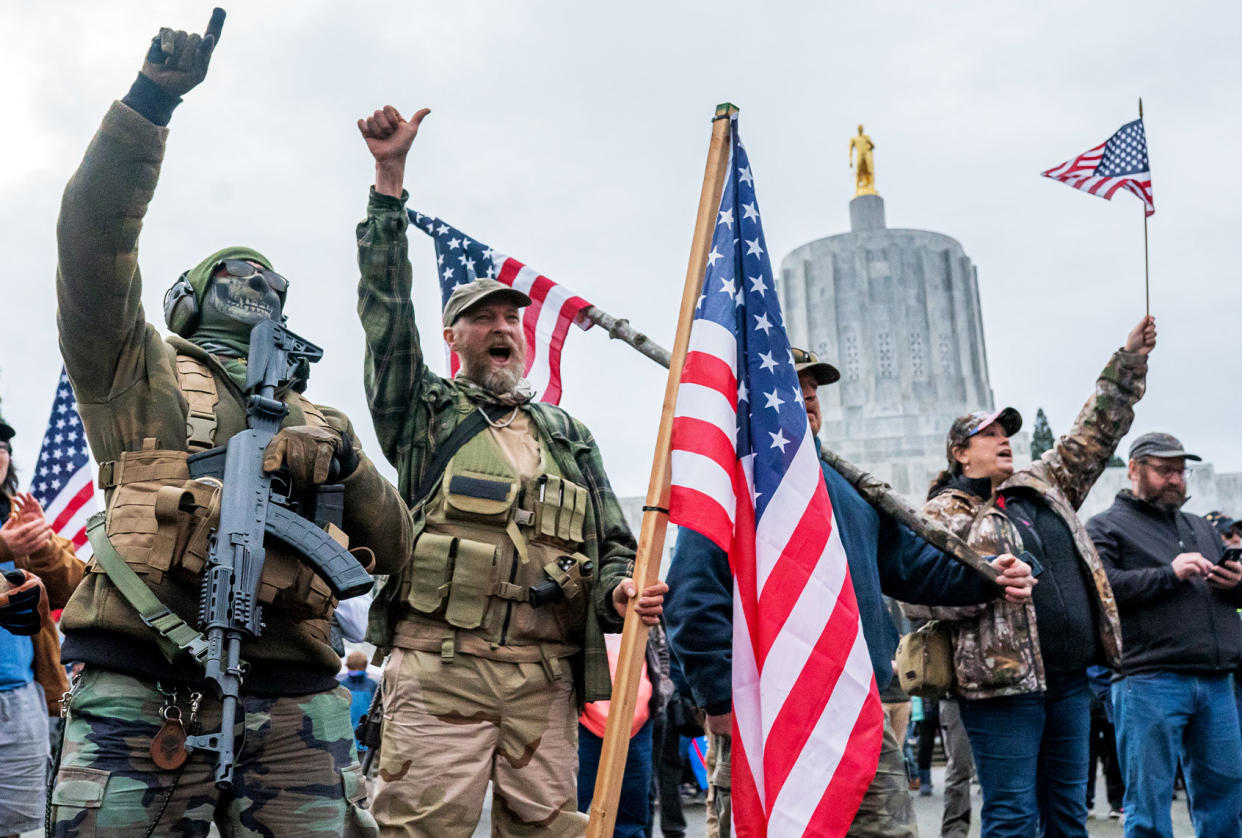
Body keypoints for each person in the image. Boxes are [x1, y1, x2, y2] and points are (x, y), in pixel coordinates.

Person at [51, 16, 413, 836]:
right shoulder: (136, 366)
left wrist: (336, 461)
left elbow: (392, 548)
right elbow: (91, 237)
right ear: (191, 295)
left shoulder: (322, 418)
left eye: (265, 277)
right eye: (233, 271)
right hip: (148, 686)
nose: (253, 280)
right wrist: (149, 106)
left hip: (297, 706)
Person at [354, 104, 665, 837]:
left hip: (545, 679)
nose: (502, 328)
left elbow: (615, 540)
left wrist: (622, 587)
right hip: (439, 673)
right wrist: (388, 179)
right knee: (419, 830)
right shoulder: (423, 413)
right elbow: (384, 311)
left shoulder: (568, 434)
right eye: (483, 317)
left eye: (511, 319)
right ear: (453, 335)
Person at [664, 347, 1035, 838]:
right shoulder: (731, 485)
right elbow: (692, 598)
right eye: (794, 382)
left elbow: (913, 566)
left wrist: (989, 575)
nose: (811, 394)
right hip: (767, 715)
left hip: (858, 710)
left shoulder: (849, 487)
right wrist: (719, 699)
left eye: (815, 386)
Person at [910, 316, 1155, 838]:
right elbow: (924, 593)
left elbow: (1095, 431)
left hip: (1069, 682)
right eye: (989, 434)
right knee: (1013, 816)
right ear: (960, 452)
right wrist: (989, 576)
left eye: (1007, 434)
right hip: (1002, 692)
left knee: (1068, 816)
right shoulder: (943, 513)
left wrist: (1129, 361)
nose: (1004, 441)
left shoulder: (1043, 484)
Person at [1087, 432, 1242, 838]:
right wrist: (1168, 574)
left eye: (1180, 471)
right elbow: (1104, 591)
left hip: (1215, 678)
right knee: (1149, 802)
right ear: (1134, 470)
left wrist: (1236, 582)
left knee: (1226, 796)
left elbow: (1221, 592)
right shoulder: (1105, 527)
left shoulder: (1200, 526)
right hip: (1149, 678)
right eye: (1164, 470)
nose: (1176, 479)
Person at [0, 420, 84, 836]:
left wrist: (44, 547)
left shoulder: (18, 519)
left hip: (21, 700)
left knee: (17, 824)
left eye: (1, 446)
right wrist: (3, 548)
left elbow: (73, 587)